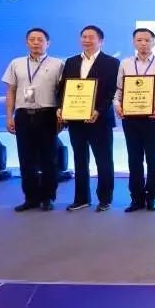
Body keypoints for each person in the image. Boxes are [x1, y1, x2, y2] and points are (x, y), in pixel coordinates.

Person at [58, 25, 120, 212]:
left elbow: (112, 91)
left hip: (99, 119)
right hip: (75, 119)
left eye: (91, 37)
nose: (87, 40)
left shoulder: (111, 62)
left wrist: (99, 111)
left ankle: (105, 199)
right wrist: (61, 107)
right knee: (80, 160)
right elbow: (63, 88)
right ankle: (81, 198)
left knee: (104, 160)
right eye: (84, 36)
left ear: (101, 41)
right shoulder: (71, 62)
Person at [3, 27, 64, 212]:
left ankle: (48, 197)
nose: (36, 42)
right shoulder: (16, 63)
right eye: (32, 39)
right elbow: (11, 91)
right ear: (26, 42)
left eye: (40, 39)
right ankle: (30, 198)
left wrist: (62, 116)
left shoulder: (58, 64)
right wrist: (9, 116)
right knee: (26, 159)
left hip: (48, 115)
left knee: (48, 159)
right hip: (23, 116)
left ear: (48, 43)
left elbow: (63, 93)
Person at [114, 28, 155, 212]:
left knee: (153, 158)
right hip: (130, 117)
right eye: (139, 40)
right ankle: (136, 198)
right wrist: (117, 104)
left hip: (153, 117)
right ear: (134, 42)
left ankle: (151, 196)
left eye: (147, 40)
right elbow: (119, 89)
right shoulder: (125, 63)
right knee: (134, 158)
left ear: (153, 42)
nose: (143, 43)